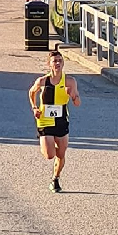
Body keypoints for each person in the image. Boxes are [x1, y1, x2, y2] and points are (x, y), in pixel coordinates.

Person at [28, 47, 82, 193]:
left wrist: (72, 95)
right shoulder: (42, 81)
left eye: (60, 61)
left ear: (63, 63)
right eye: (54, 61)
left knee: (61, 154)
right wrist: (34, 107)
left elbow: (77, 103)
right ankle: (47, 142)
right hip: (45, 120)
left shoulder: (70, 81)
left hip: (61, 120)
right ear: (49, 64)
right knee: (50, 155)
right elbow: (31, 92)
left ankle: (55, 179)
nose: (58, 63)